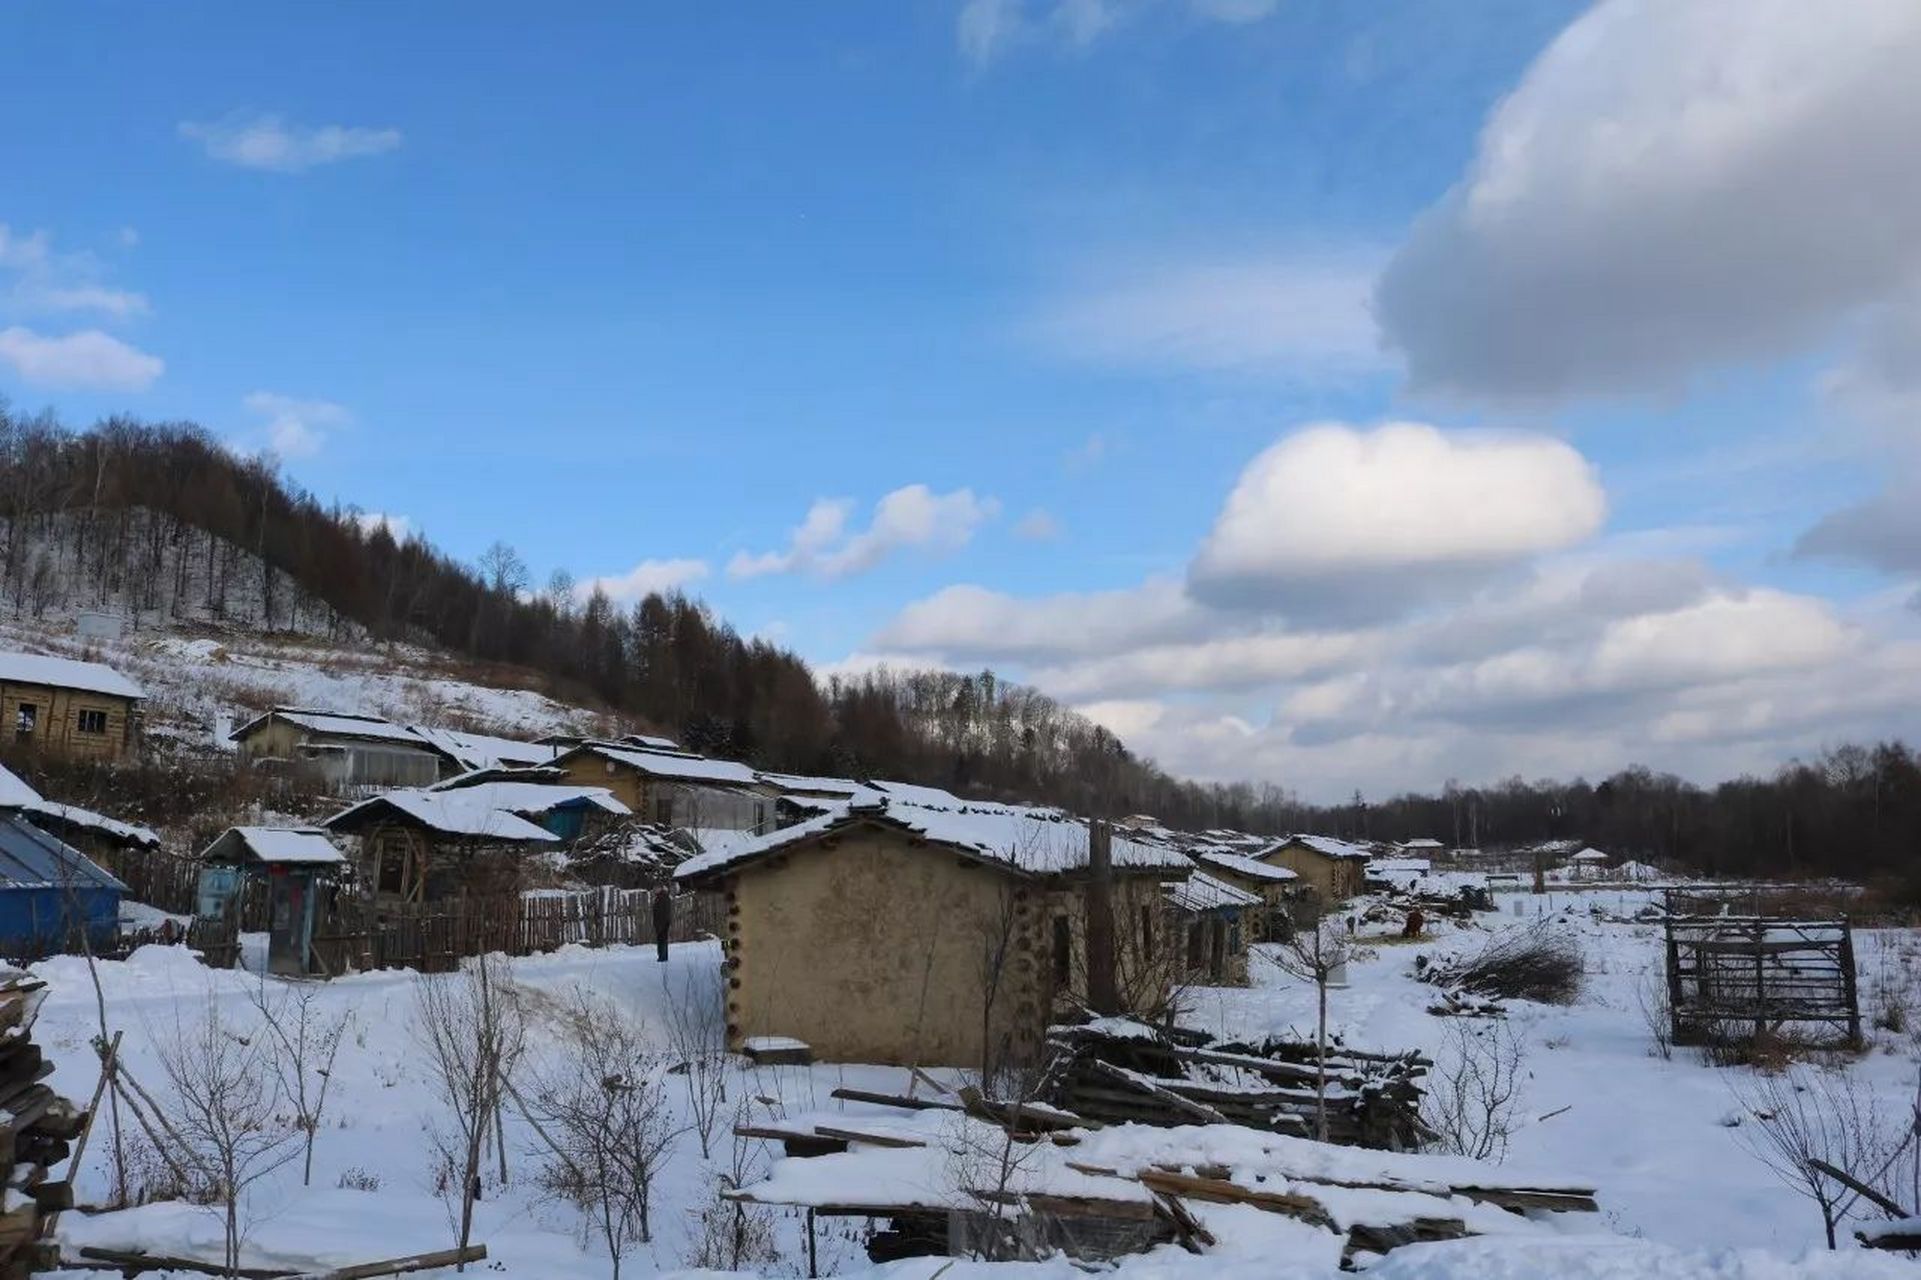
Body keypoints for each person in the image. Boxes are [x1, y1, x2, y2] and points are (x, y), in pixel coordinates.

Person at [652, 885, 673, 962]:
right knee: (661, 940)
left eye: (656, 888)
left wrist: (661, 924)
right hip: (660, 923)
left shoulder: (663, 898)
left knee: (662, 940)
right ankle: (662, 956)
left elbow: (663, 912)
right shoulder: (659, 897)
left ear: (660, 888)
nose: (654, 890)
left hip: (663, 923)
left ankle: (663, 957)